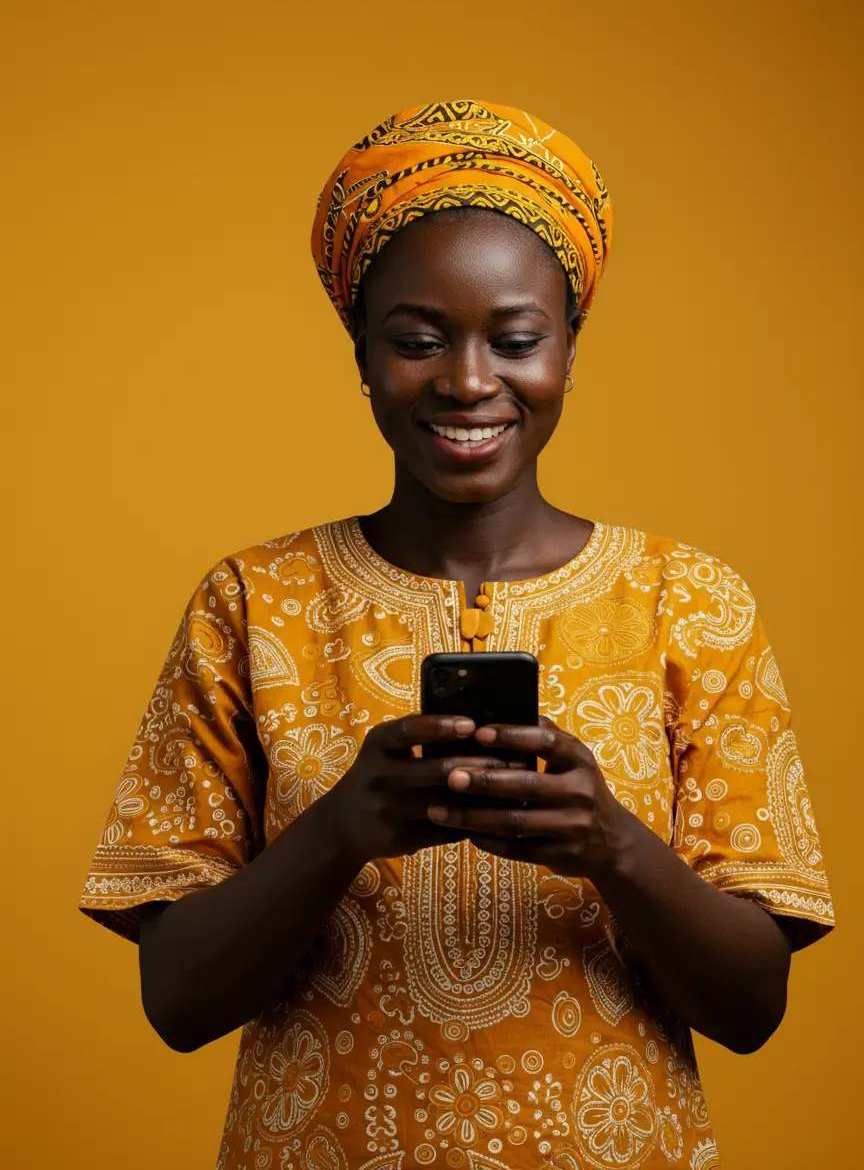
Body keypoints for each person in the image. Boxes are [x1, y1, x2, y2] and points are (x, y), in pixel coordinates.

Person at [79, 100, 834, 1170]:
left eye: (516, 339)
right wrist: (343, 825)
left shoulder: (692, 600)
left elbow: (753, 1006)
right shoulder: (252, 601)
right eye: (418, 340)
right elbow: (178, 1000)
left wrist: (611, 842)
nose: (470, 380)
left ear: (570, 344)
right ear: (360, 350)